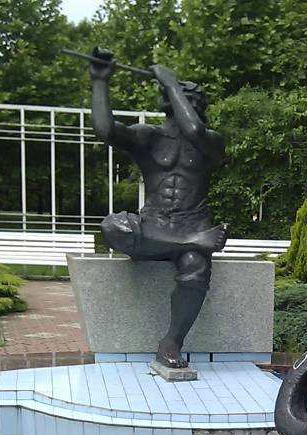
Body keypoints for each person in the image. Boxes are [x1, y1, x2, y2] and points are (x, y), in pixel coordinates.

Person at [88, 46, 228, 368]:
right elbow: (104, 130)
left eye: (191, 95)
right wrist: (99, 81)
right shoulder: (147, 137)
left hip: (190, 223)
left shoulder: (211, 141)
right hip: (157, 226)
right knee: (112, 226)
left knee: (195, 265)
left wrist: (171, 82)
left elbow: (193, 130)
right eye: (182, 93)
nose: (187, 97)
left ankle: (171, 342)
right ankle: (190, 243)